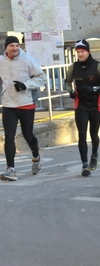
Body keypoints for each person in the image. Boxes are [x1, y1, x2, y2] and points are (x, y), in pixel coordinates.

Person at [0, 36, 46, 181]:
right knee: (9, 136)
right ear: (6, 47)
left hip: (26, 103)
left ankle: (36, 157)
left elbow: (42, 77)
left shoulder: (28, 60)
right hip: (8, 104)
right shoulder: (1, 61)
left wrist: (25, 85)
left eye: (17, 46)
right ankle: (10, 169)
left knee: (28, 135)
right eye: (11, 46)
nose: (15, 48)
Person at [65, 39, 100, 177]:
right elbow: (68, 82)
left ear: (88, 52)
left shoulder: (98, 66)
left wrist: (93, 88)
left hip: (96, 105)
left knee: (94, 134)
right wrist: (71, 92)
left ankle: (95, 154)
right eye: (78, 52)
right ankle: (84, 164)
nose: (80, 54)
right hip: (81, 105)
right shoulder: (73, 67)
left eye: (82, 51)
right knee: (81, 134)